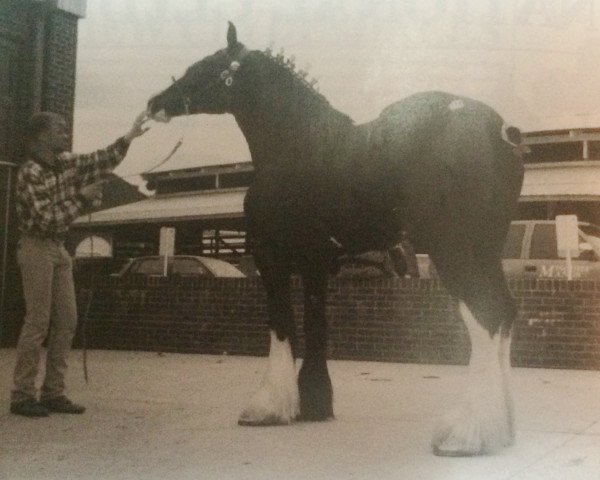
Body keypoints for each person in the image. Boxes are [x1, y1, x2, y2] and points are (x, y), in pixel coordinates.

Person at [10, 110, 150, 417]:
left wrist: (129, 136)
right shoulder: (30, 172)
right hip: (36, 247)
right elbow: (45, 220)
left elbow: (100, 160)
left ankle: (53, 392)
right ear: (41, 136)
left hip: (58, 248)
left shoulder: (64, 163)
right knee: (38, 321)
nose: (65, 133)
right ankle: (22, 396)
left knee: (67, 320)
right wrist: (81, 198)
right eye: (58, 129)